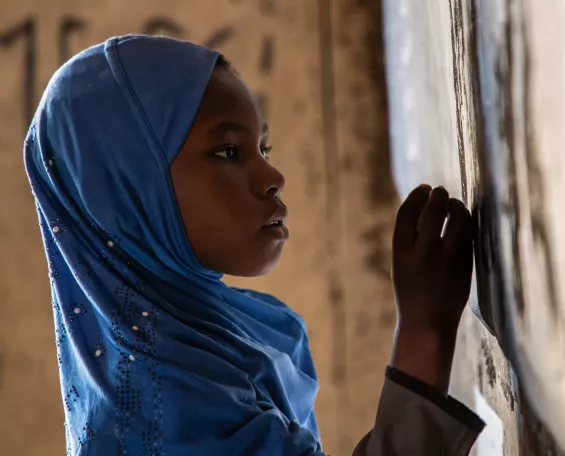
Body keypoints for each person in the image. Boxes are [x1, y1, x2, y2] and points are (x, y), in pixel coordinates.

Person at [24, 35, 485, 455]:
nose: (272, 179)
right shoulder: (165, 406)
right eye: (228, 152)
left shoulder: (208, 342)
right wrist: (425, 334)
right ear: (124, 191)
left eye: (264, 149)